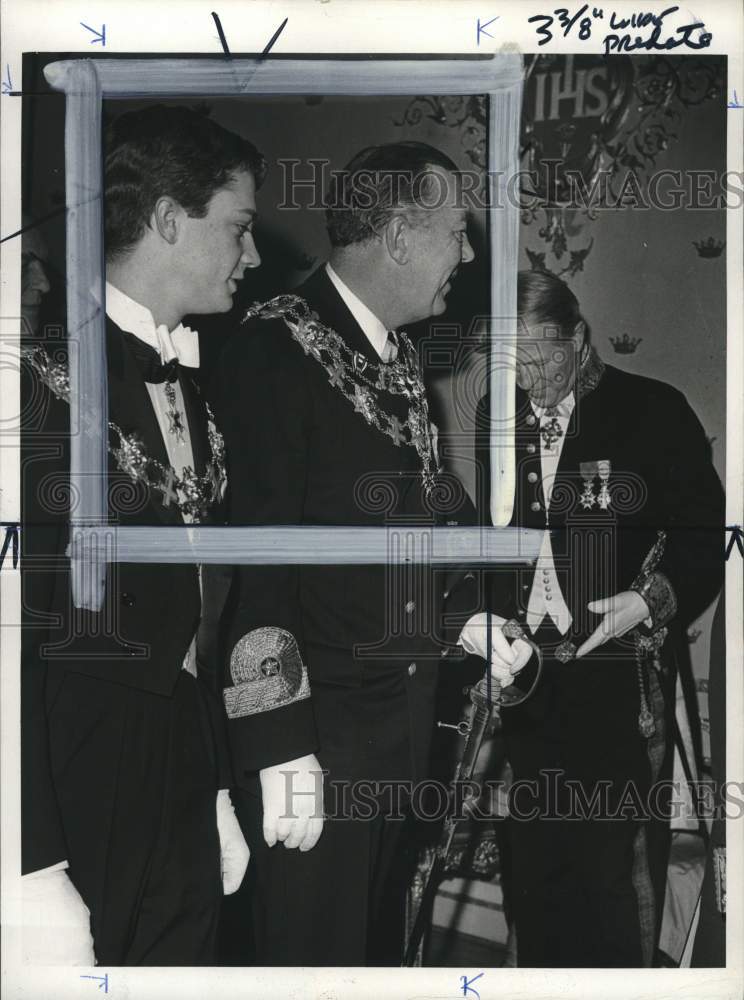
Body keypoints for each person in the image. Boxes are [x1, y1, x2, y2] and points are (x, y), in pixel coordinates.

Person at [212, 141, 532, 966]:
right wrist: (278, 744)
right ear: (396, 237)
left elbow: (388, 557)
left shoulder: (395, 365)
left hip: (393, 736)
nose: (467, 253)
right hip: (313, 751)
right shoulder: (273, 352)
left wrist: (462, 624)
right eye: (456, 232)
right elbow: (253, 567)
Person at [20, 104, 264, 966]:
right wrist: (30, 858)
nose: (254, 255)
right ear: (168, 219)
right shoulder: (36, 381)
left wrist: (216, 790)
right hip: (76, 770)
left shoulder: (198, 375)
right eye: (238, 227)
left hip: (183, 758)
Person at [475, 269, 725, 967]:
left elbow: (704, 533)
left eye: (545, 356)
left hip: (621, 684)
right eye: (514, 363)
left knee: (615, 880)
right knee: (534, 872)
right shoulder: (499, 412)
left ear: (581, 338)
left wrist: (648, 602)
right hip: (529, 685)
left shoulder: (653, 409)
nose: (531, 380)